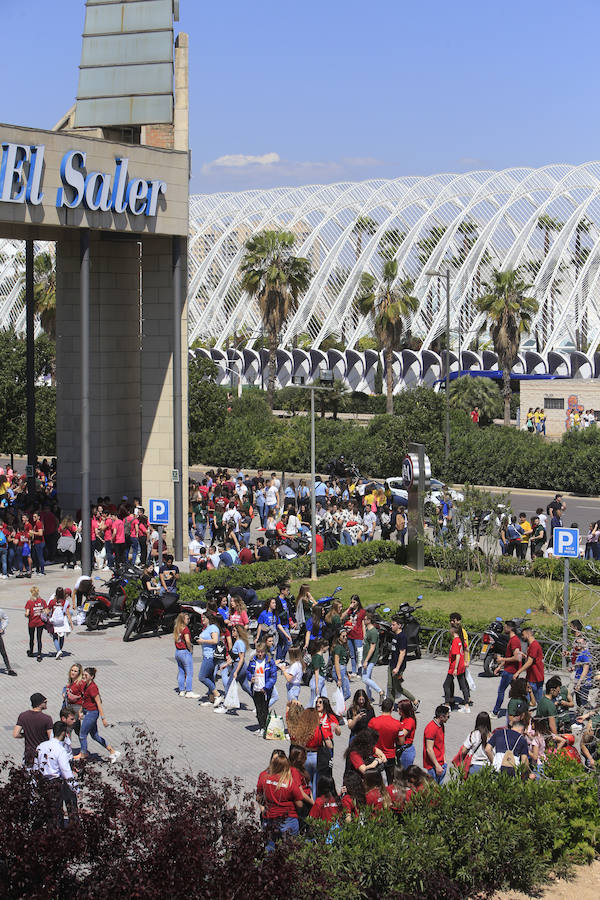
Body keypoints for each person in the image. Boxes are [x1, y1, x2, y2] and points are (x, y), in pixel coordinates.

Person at [34, 720, 79, 827]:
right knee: (56, 813)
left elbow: (36, 766)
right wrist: (75, 788)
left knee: (45, 811)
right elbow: (66, 772)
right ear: (63, 733)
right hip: (55, 784)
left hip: (42, 782)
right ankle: (55, 834)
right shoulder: (60, 750)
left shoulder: (41, 746)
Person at [256, 749, 304, 848]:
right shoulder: (289, 783)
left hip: (270, 818)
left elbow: (258, 796)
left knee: (269, 847)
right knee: (290, 850)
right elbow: (299, 803)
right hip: (288, 819)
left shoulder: (265, 778)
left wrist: (263, 809)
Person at [72, 667, 120, 762]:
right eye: (83, 675)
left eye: (86, 675)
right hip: (87, 711)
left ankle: (83, 753)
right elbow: (84, 699)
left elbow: (98, 703)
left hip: (92, 713)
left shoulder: (93, 688)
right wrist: (81, 711)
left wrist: (103, 719)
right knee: (94, 736)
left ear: (92, 677)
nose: (84, 676)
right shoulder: (86, 685)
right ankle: (113, 751)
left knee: (82, 734)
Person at [485, 700, 530, 775]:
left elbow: (487, 749)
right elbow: (524, 760)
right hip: (513, 771)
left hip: (497, 768)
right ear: (522, 729)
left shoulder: (499, 732)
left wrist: (494, 762)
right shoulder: (522, 739)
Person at [492, 620, 522, 718]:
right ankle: (520, 711)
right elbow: (510, 656)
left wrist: (501, 659)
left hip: (510, 671)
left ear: (510, 628)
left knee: (501, 691)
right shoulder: (513, 640)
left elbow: (516, 657)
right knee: (517, 692)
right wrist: (499, 667)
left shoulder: (514, 641)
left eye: (505, 627)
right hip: (510, 670)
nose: (503, 628)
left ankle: (495, 712)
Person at [13, 692, 53, 767]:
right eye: (45, 702)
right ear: (40, 703)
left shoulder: (23, 716)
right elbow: (51, 738)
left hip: (29, 754)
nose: (46, 703)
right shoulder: (47, 719)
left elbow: (15, 734)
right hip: (43, 755)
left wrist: (26, 734)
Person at [369, 696, 402, 784]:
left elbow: (369, 738)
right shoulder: (397, 724)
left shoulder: (373, 722)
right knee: (390, 781)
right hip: (390, 756)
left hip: (376, 756)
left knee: (376, 782)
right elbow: (401, 741)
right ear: (392, 709)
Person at [247, 641, 278, 736]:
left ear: (265, 652)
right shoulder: (253, 661)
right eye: (258, 652)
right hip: (256, 688)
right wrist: (250, 677)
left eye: (262, 652)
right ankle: (261, 726)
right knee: (258, 709)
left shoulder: (269, 662)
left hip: (265, 690)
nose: (260, 654)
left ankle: (264, 727)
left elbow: (273, 677)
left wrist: (266, 687)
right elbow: (248, 671)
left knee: (264, 709)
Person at [220, 623, 253, 707]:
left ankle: (225, 706)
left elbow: (241, 658)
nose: (232, 632)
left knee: (229, 686)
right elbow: (235, 657)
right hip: (239, 665)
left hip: (239, 666)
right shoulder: (237, 642)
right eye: (232, 630)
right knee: (246, 687)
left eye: (234, 630)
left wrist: (236, 671)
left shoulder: (240, 643)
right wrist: (226, 664)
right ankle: (259, 703)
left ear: (239, 632)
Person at [388, 615, 417, 704]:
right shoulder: (395, 635)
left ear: (399, 625)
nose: (391, 626)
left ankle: (415, 701)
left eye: (393, 625)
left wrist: (397, 668)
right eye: (391, 624)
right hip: (392, 663)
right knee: (390, 686)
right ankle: (390, 706)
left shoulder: (402, 637)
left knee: (397, 688)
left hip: (398, 666)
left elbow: (402, 653)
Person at [513, 625, 545, 704]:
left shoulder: (534, 645)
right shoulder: (532, 645)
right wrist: (526, 656)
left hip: (535, 677)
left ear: (528, 635)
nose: (522, 637)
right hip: (534, 676)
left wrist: (518, 672)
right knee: (537, 700)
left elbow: (530, 662)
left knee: (531, 700)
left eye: (523, 635)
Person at [173, 612, 200, 699]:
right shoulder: (185, 629)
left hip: (177, 652)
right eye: (187, 619)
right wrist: (191, 650)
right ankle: (189, 691)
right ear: (183, 620)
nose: (189, 620)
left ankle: (181, 690)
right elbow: (188, 641)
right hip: (185, 652)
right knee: (189, 673)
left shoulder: (177, 628)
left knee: (181, 671)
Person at [197, 612, 221, 706]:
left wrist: (203, 641)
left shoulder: (213, 628)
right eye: (202, 617)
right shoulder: (206, 628)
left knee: (202, 677)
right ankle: (211, 699)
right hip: (206, 655)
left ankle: (217, 694)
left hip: (210, 656)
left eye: (204, 618)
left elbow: (215, 640)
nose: (202, 619)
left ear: (208, 618)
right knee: (210, 677)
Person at [443, 624, 470, 710]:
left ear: (454, 631)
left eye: (451, 628)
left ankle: (447, 704)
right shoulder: (460, 640)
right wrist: (465, 660)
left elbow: (457, 655)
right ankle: (466, 705)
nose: (449, 630)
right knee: (463, 685)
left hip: (455, 666)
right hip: (461, 665)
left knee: (446, 685)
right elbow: (467, 649)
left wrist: (455, 668)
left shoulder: (455, 641)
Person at [423, 704, 450, 784]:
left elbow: (441, 743)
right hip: (433, 766)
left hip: (441, 763)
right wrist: (437, 765)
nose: (448, 718)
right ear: (441, 717)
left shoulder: (441, 725)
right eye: (447, 716)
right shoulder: (431, 728)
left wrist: (444, 760)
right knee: (433, 790)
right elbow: (429, 749)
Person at [362, 612, 384, 705]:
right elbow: (364, 637)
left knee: (365, 679)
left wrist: (366, 660)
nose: (363, 620)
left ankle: (380, 691)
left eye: (365, 619)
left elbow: (373, 647)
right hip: (366, 657)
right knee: (368, 679)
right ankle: (369, 697)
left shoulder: (373, 632)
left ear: (369, 620)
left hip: (371, 659)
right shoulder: (368, 629)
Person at [342, 595, 365, 678]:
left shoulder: (362, 612)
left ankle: (360, 671)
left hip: (358, 635)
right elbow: (342, 616)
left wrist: (364, 636)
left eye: (354, 602)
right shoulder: (350, 611)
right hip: (350, 634)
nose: (352, 604)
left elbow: (363, 624)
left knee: (359, 654)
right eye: (351, 602)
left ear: (358, 602)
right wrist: (349, 608)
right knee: (352, 654)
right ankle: (354, 671)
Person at [49, 587, 73, 660]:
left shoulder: (52, 602)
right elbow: (68, 613)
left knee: (55, 636)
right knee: (61, 636)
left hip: (55, 621)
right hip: (63, 621)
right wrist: (71, 623)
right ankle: (60, 650)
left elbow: (48, 610)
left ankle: (58, 650)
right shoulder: (65, 602)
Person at [25, 586, 47, 662]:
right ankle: (39, 654)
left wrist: (27, 615)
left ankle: (31, 651)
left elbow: (27, 613)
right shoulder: (42, 601)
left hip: (32, 622)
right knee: (39, 639)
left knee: (31, 638)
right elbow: (46, 611)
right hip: (40, 622)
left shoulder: (29, 602)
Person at [396, 699, 417, 769]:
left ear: (404, 710)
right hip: (401, 749)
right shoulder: (402, 718)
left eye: (399, 709)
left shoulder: (410, 721)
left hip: (406, 751)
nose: (397, 710)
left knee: (405, 774)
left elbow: (402, 734)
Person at [333, 628, 352, 704]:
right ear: (338, 637)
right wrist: (339, 678)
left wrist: (347, 673)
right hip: (339, 670)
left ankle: (338, 708)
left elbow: (343, 661)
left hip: (343, 669)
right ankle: (337, 706)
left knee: (343, 693)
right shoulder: (338, 647)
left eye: (346, 636)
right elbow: (336, 662)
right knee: (347, 693)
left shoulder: (343, 646)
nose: (345, 638)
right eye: (343, 636)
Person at [573, 637, 593, 708]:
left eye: (580, 643)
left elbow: (585, 670)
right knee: (580, 703)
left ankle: (592, 717)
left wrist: (579, 683)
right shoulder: (580, 653)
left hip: (584, 682)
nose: (578, 645)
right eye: (577, 643)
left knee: (584, 703)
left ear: (584, 643)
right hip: (578, 679)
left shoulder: (585, 654)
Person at [309, 639, 328, 707]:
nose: (327, 647)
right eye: (327, 646)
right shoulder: (317, 657)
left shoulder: (320, 656)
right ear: (322, 647)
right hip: (317, 680)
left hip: (321, 680)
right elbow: (316, 672)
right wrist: (317, 686)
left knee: (324, 699)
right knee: (313, 701)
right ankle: (306, 714)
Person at [0, 607, 17, 675]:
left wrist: (3, 628)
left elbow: (6, 618)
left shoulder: (0, 611)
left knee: (3, 652)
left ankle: (9, 669)